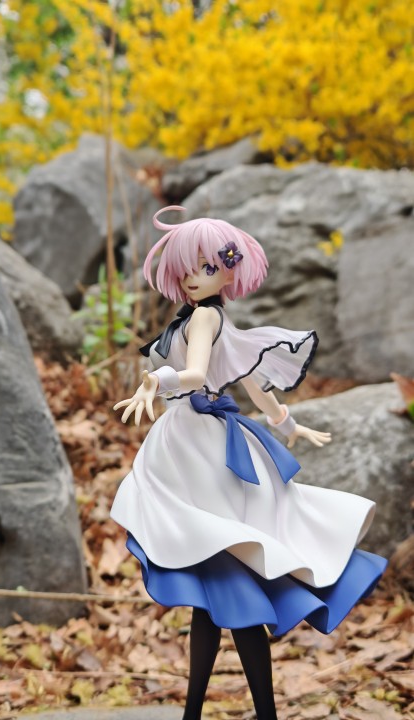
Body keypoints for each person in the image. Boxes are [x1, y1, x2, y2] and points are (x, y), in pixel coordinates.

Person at [111, 206, 387, 720]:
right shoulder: (201, 318)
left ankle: (242, 712)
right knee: (216, 587)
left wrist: (155, 382)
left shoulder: (206, 317)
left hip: (203, 450)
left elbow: (197, 375)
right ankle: (219, 712)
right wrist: (287, 423)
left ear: (229, 271)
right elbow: (254, 382)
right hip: (194, 444)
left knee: (225, 573)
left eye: (207, 267)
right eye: (187, 269)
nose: (194, 278)